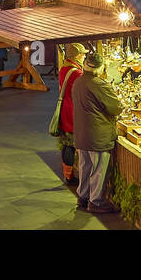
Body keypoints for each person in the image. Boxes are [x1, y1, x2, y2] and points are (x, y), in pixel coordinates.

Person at [70, 51, 123, 214]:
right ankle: (96, 201)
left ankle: (83, 197)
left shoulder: (78, 82)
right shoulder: (99, 84)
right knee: (99, 169)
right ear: (100, 68)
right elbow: (115, 107)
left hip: (81, 134)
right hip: (97, 135)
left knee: (85, 167)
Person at [56, 44, 86, 185]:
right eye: (83, 54)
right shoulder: (77, 73)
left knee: (67, 144)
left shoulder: (64, 68)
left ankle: (67, 174)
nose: (84, 56)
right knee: (70, 144)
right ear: (77, 55)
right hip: (72, 111)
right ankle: (69, 177)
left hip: (65, 110)